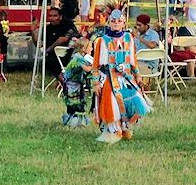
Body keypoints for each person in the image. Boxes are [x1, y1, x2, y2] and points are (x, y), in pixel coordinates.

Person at [92, 9, 151, 143]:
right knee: (112, 106)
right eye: (113, 21)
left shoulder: (128, 38)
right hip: (108, 78)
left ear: (124, 22)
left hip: (126, 77)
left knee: (138, 102)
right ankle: (114, 130)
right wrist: (96, 83)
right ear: (109, 23)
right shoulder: (102, 40)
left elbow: (133, 61)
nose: (116, 24)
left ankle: (127, 126)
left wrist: (138, 78)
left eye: (119, 21)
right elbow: (96, 66)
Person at [31, 7, 77, 85]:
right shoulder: (47, 29)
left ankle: (67, 82)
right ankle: (65, 82)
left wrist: (49, 49)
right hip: (53, 56)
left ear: (60, 16)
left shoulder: (67, 25)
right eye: (50, 16)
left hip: (68, 53)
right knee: (50, 60)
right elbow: (38, 44)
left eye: (55, 16)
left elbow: (63, 39)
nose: (52, 18)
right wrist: (33, 32)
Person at [62, 37, 95, 127]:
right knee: (74, 104)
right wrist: (96, 65)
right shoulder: (78, 58)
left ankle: (75, 121)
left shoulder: (82, 57)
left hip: (77, 84)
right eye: (91, 47)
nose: (92, 49)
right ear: (84, 48)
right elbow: (87, 69)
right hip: (71, 86)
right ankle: (74, 121)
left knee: (78, 102)